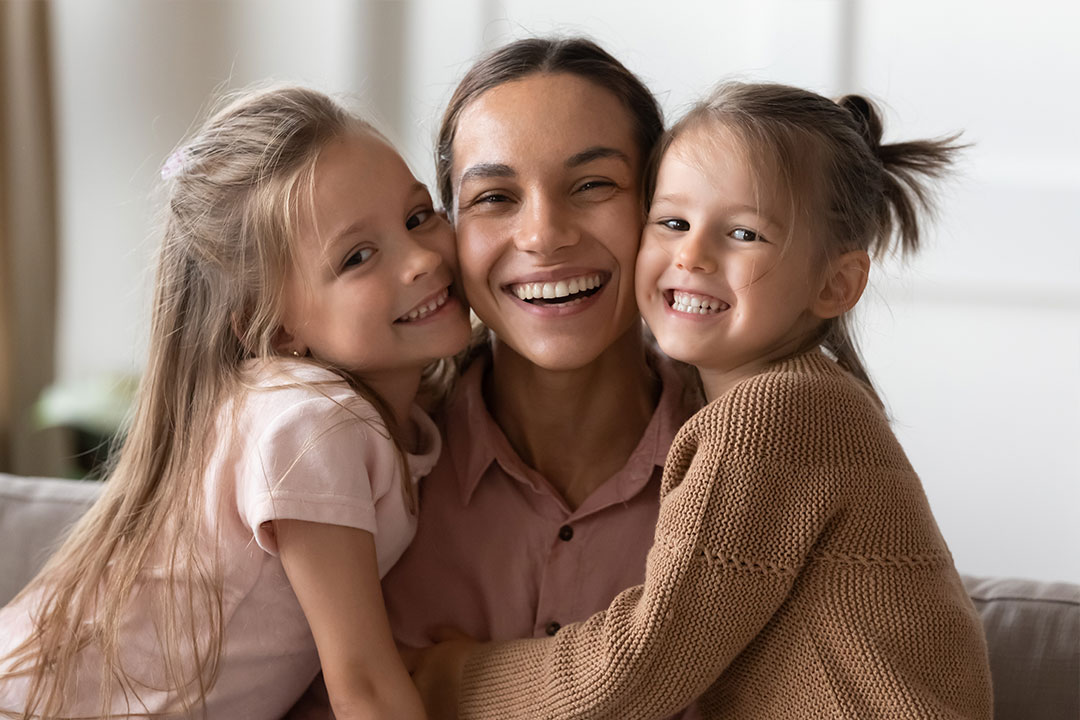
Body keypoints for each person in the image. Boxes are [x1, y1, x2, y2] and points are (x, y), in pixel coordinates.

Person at [409, 82, 994, 719]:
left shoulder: (775, 415)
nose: (692, 255)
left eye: (744, 233)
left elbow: (643, 661)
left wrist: (458, 677)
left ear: (837, 284)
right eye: (675, 223)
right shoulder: (798, 404)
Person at [0, 85, 471, 719]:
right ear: (277, 332)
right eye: (358, 257)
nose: (420, 259)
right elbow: (363, 686)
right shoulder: (314, 423)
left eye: (419, 216)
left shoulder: (383, 413)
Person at [372, 36, 700, 719]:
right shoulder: (370, 463)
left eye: (592, 185)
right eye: (495, 196)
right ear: (450, 233)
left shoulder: (757, 470)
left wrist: (458, 678)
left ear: (660, 208)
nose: (544, 234)